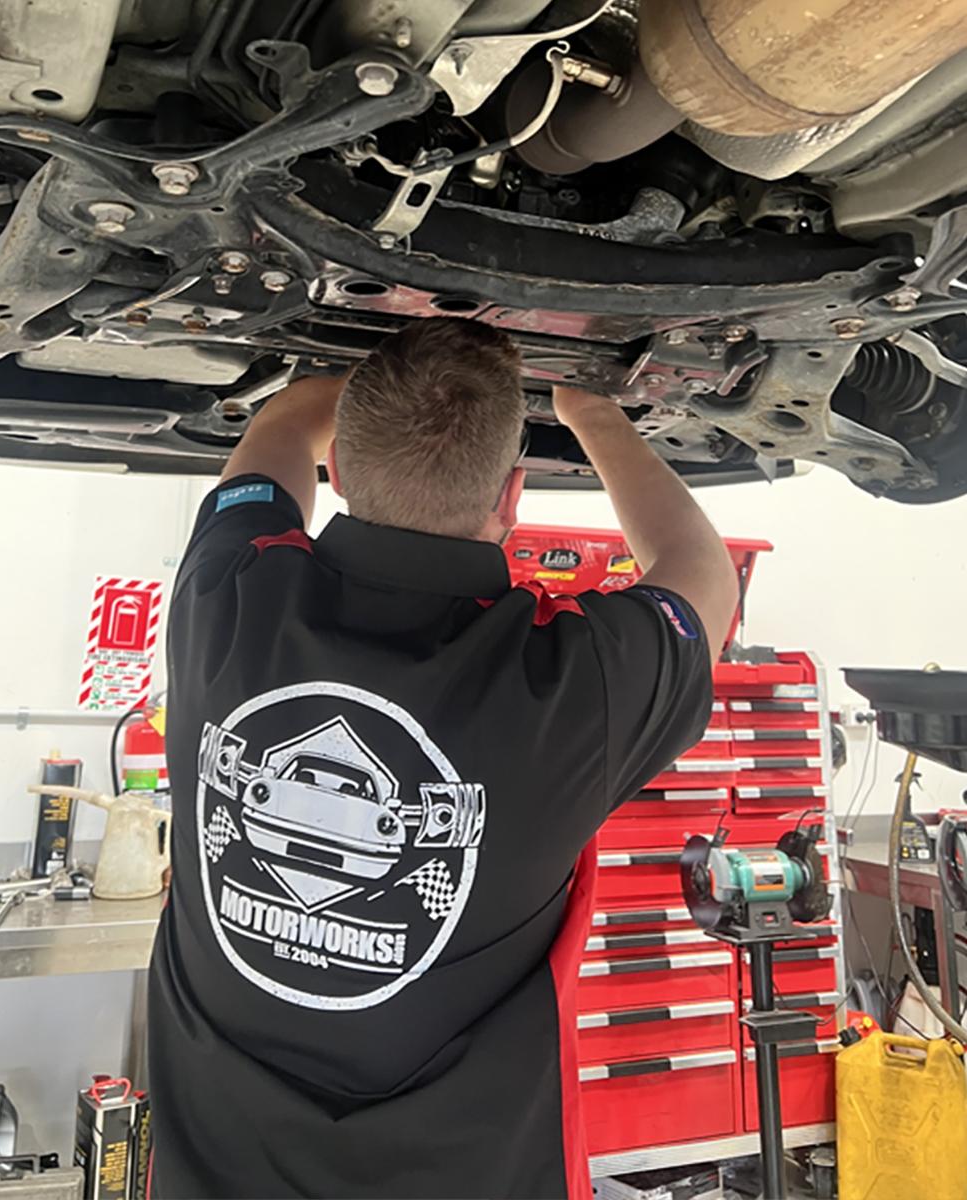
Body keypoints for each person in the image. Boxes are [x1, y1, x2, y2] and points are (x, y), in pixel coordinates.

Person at [148, 318, 738, 1200]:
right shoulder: (575, 686)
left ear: (338, 474)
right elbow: (706, 575)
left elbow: (276, 433)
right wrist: (592, 411)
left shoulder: (229, 597)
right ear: (513, 496)